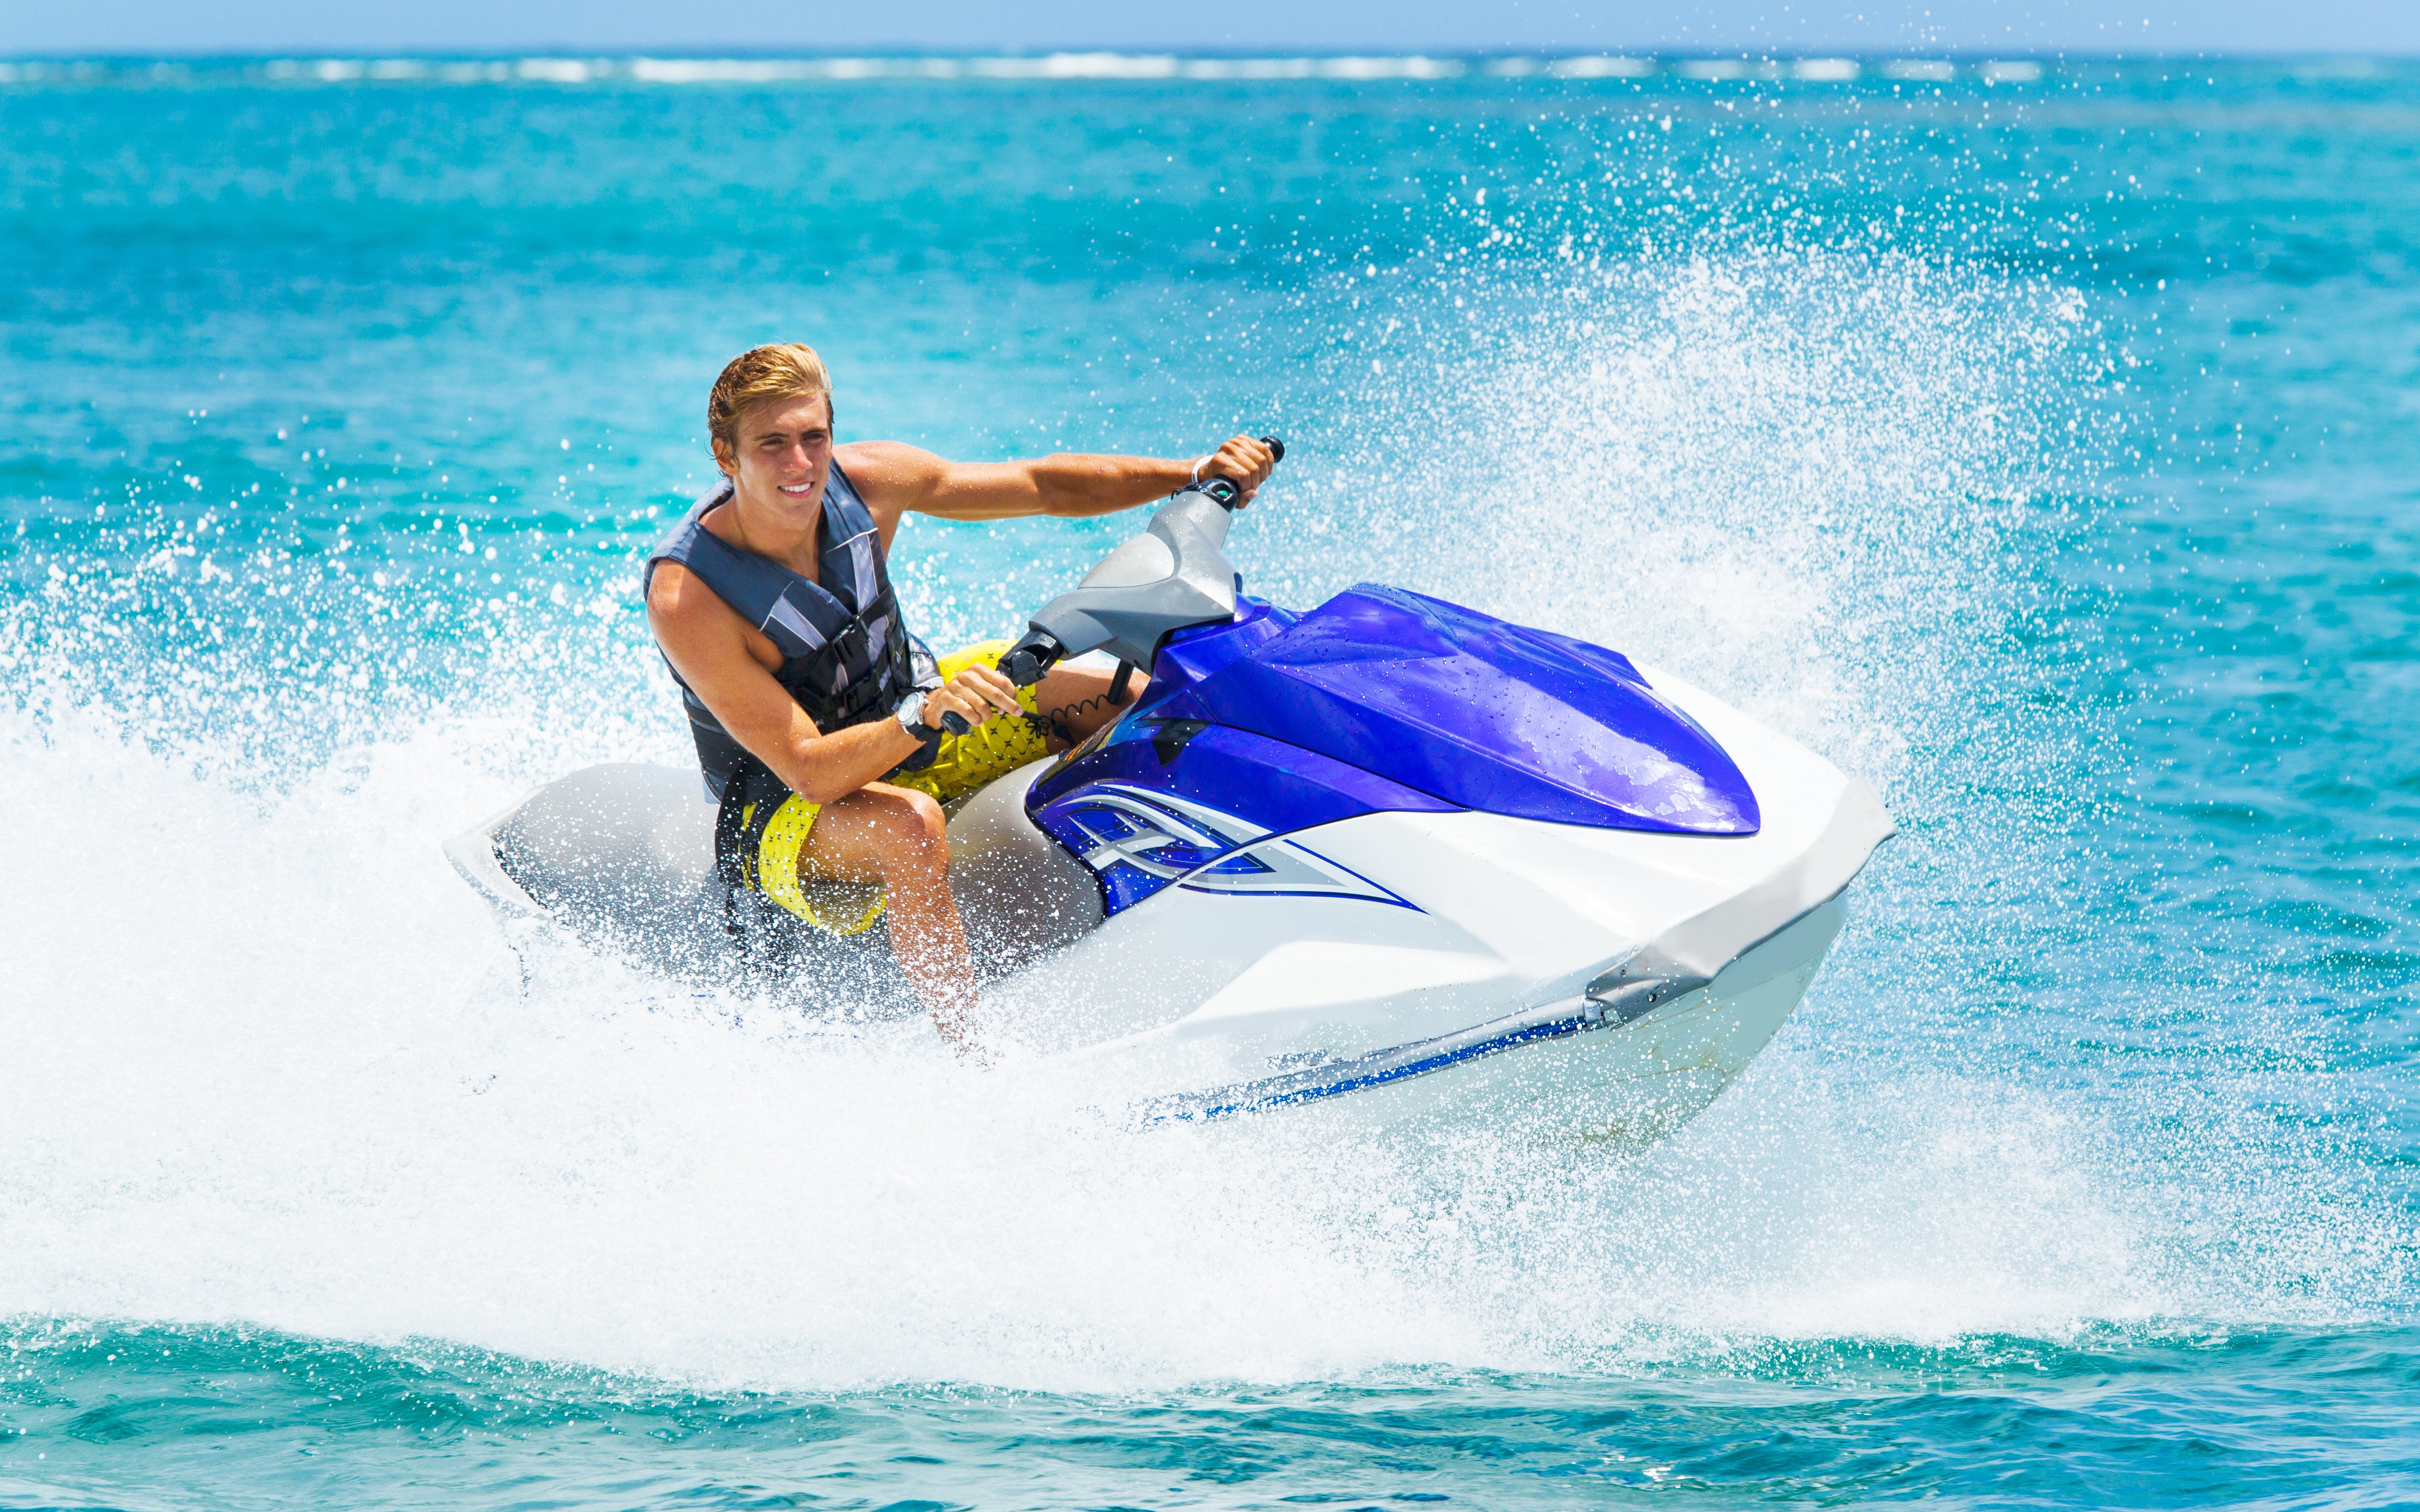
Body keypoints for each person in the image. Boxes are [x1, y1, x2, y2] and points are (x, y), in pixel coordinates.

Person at [644, 343, 1277, 1050]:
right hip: (786, 806)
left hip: (911, 708)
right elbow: (807, 767)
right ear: (726, 456)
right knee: (909, 826)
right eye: (772, 445)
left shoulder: (871, 480)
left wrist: (1191, 474)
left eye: (813, 437)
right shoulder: (688, 596)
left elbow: (1043, 486)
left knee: (1144, 699)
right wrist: (923, 715)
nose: (800, 464)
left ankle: (1223, 894)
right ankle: (969, 1057)